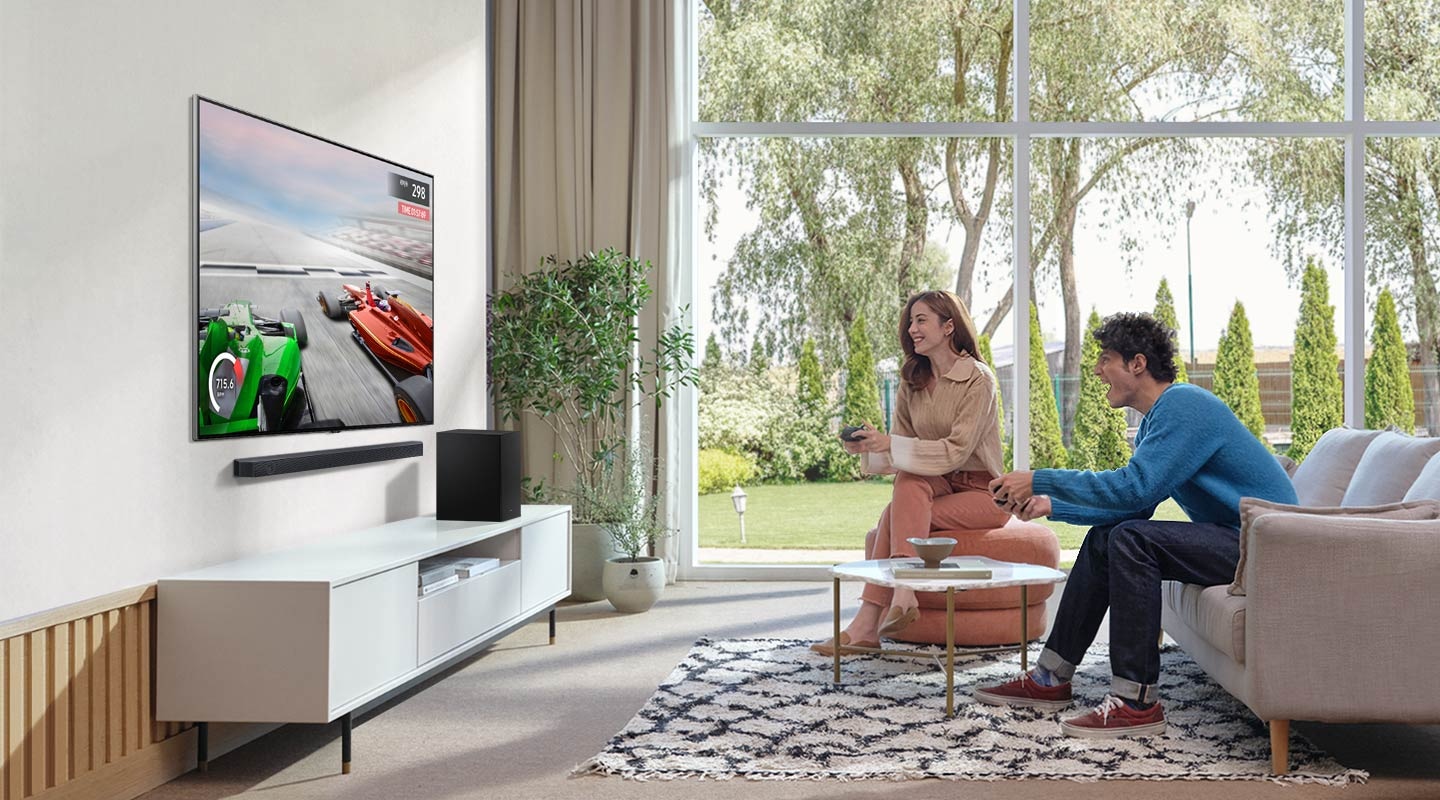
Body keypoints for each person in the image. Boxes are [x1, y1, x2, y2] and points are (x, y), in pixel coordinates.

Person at [978, 311, 1296, 738]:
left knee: (1130, 540)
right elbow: (1134, 505)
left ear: (1137, 364)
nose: (1096, 369)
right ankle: (1050, 677)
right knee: (1109, 538)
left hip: (1267, 549)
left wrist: (1040, 477)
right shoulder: (1156, 420)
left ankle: (1136, 701)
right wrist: (1047, 505)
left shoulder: (1185, 406)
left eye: (1105, 358)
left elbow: (1134, 490)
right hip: (1238, 541)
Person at [811, 290, 1009, 656]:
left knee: (893, 515)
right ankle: (898, 599)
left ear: (949, 326)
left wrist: (891, 445)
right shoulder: (912, 380)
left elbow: (955, 451)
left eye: (922, 320)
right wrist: (870, 448)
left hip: (983, 493)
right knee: (908, 482)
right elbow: (902, 450)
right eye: (910, 322)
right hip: (933, 484)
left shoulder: (978, 380)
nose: (912, 329)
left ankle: (870, 620)